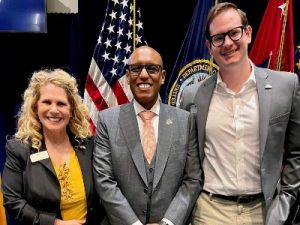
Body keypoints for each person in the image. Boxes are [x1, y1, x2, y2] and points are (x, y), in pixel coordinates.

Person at [180, 2, 300, 225]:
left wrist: (284, 202)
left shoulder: (286, 86)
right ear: (209, 46)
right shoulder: (192, 96)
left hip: (265, 213)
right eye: (218, 38)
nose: (227, 43)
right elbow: (189, 162)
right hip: (209, 212)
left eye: (234, 33)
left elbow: (296, 154)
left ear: (248, 33)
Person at [93, 45, 201, 225]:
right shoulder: (107, 120)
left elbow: (192, 179)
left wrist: (168, 222)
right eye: (136, 69)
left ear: (163, 76)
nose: (143, 75)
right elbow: (104, 180)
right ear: (128, 77)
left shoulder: (185, 121)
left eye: (152, 68)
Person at [1, 69, 103, 225]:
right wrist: (55, 223)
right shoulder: (19, 149)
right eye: (47, 102)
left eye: (61, 104)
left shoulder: (88, 145)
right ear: (35, 107)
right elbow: (12, 201)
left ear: (71, 110)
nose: (54, 110)